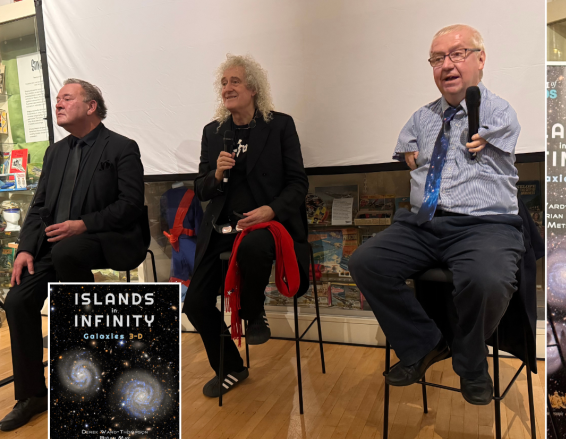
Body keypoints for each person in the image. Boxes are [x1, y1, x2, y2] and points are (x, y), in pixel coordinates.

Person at [349, 24, 523, 406]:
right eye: (438, 58)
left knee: (488, 279)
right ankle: (424, 344)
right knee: (366, 262)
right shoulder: (423, 117)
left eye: (458, 54)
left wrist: (476, 131)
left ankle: (471, 361)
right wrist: (407, 150)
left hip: (484, 225)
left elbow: (491, 131)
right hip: (424, 222)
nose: (447, 64)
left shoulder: (495, 109)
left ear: (480, 59)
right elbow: (406, 144)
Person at [1, 79, 146, 431]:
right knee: (17, 300)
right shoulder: (55, 152)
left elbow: (129, 207)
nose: (58, 103)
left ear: (91, 106)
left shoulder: (122, 147)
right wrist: (24, 249)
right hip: (58, 245)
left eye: (67, 98)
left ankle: (87, 363)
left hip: (106, 238)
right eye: (57, 99)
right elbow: (38, 208)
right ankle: (33, 395)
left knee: (69, 250)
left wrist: (84, 225)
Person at [183, 54, 309, 398]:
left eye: (234, 81)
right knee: (194, 304)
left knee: (254, 247)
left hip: (265, 226)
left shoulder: (279, 125)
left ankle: (254, 313)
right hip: (222, 228)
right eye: (223, 83)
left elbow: (298, 183)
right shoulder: (214, 131)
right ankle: (231, 368)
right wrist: (217, 174)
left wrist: (270, 210)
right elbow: (202, 189)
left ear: (253, 88)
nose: (227, 88)